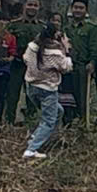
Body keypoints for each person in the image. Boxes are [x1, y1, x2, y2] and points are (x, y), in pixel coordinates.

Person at [23, 26, 73, 154]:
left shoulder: (32, 47)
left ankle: (36, 137)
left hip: (32, 87)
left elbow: (25, 59)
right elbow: (66, 67)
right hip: (47, 89)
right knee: (49, 120)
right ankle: (31, 149)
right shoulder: (54, 53)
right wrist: (66, 50)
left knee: (58, 111)